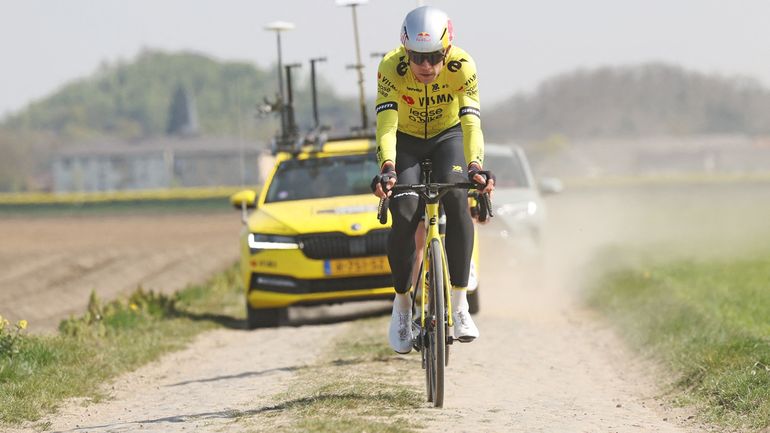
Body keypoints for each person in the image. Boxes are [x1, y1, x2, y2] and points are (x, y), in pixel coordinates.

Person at [371, 6, 495, 354]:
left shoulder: (463, 67)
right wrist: (389, 167)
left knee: (457, 199)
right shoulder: (390, 67)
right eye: (417, 57)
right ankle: (402, 307)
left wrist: (474, 166)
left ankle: (459, 304)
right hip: (406, 141)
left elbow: (471, 123)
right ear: (405, 51)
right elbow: (387, 126)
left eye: (434, 57)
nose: (426, 66)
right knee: (406, 211)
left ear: (448, 50)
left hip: (447, 136)